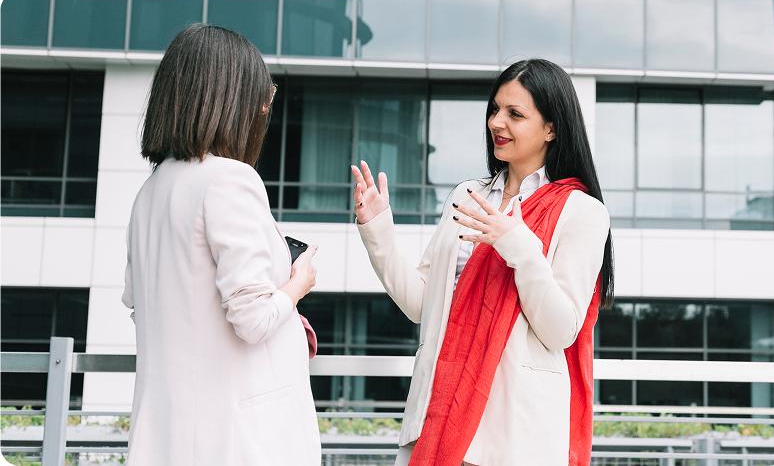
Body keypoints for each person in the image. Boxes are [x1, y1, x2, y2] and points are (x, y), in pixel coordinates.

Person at [351, 59, 614, 465]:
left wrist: (519, 247)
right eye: (494, 109)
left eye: (515, 114)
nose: (497, 122)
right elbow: (422, 303)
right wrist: (378, 230)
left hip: (513, 433)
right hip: (438, 412)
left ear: (551, 128)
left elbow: (561, 329)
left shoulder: (582, 212)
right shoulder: (467, 195)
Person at [122, 24, 320, 465]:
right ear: (230, 99)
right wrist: (297, 285)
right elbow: (251, 319)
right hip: (238, 437)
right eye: (261, 93)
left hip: (169, 434)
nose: (266, 106)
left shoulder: (150, 191)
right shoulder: (230, 179)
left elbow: (144, 307)